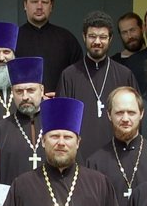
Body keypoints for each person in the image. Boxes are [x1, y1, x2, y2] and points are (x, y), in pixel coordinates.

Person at [55, 10, 136, 158]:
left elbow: (135, 119)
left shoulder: (124, 75)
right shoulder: (69, 75)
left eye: (103, 37)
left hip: (117, 157)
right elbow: (62, 122)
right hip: (80, 158)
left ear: (110, 39)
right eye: (92, 36)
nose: (97, 42)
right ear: (84, 37)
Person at [85, 87, 147, 206]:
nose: (125, 119)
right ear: (109, 115)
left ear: (141, 114)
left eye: (131, 112)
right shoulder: (95, 162)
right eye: (119, 113)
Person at [14, 0, 82, 93]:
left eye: (44, 2)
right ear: (25, 5)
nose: (39, 7)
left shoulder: (67, 39)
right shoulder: (13, 38)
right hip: (23, 102)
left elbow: (78, 77)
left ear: (51, 6)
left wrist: (61, 95)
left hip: (59, 102)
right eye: (34, 2)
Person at [0, 57, 46, 184]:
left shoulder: (56, 127)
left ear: (42, 90)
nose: (25, 97)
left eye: (31, 90)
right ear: (12, 93)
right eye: (19, 91)